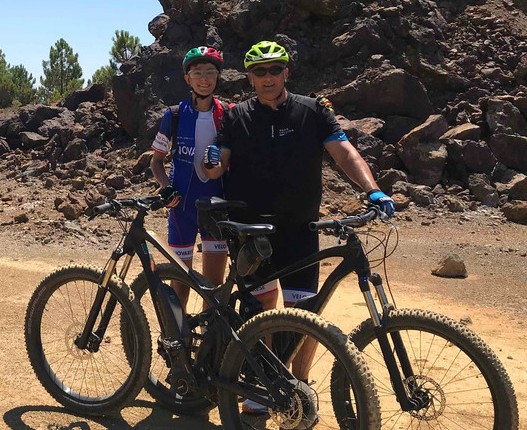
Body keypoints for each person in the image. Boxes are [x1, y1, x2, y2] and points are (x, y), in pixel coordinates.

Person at [203, 39, 394, 309]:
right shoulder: (236, 117)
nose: (268, 77)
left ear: (286, 73)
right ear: (250, 78)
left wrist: (372, 189)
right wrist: (209, 164)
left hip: (300, 229)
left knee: (305, 314)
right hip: (251, 231)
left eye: (275, 69)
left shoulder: (313, 111)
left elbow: (345, 153)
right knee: (259, 309)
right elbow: (216, 170)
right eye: (260, 72)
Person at [150, 47, 230, 306]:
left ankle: (211, 342)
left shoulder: (229, 114)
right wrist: (166, 188)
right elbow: (156, 161)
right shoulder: (173, 115)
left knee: (214, 288)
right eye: (197, 72)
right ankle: (179, 342)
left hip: (217, 210)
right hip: (181, 209)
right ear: (187, 78)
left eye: (210, 72)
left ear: (218, 77)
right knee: (180, 284)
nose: (204, 78)